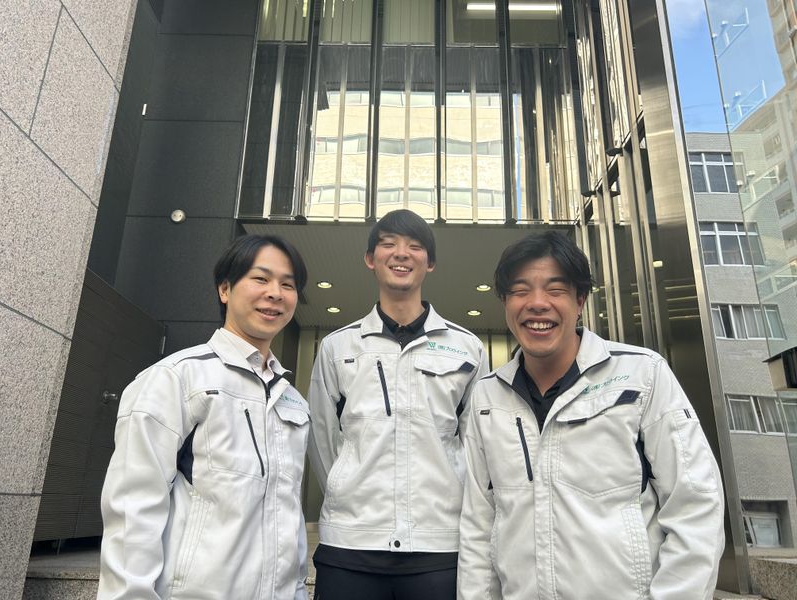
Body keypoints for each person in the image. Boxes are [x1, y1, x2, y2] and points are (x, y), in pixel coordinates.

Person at [458, 231, 724, 600]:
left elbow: (695, 503)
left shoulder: (642, 375)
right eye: (520, 290)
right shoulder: (488, 396)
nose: (537, 303)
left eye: (555, 290)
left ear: (580, 300)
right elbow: (478, 523)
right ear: (504, 301)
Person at [98, 235, 310, 600]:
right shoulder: (177, 377)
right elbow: (133, 507)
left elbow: (288, 511)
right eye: (260, 279)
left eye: (287, 285)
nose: (275, 293)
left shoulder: (292, 399)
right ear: (225, 289)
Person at [308, 209, 487, 600]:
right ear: (370, 259)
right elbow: (322, 437)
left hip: (438, 542)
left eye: (415, 246)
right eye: (388, 244)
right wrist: (344, 488)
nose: (401, 253)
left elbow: (475, 444)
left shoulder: (467, 348)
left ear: (430, 262)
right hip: (350, 541)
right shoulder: (337, 347)